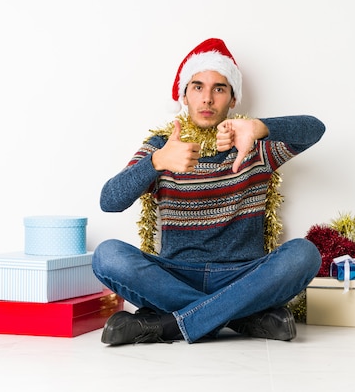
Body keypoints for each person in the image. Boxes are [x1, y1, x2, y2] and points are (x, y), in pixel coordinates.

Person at [92, 38, 326, 345]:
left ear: (232, 99)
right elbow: (109, 201)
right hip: (175, 275)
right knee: (107, 255)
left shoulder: (254, 146)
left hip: (243, 274)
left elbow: (315, 129)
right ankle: (242, 316)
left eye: (219, 88)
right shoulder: (163, 147)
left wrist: (259, 128)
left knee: (304, 254)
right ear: (184, 96)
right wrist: (157, 162)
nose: (207, 98)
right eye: (198, 87)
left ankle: (167, 325)